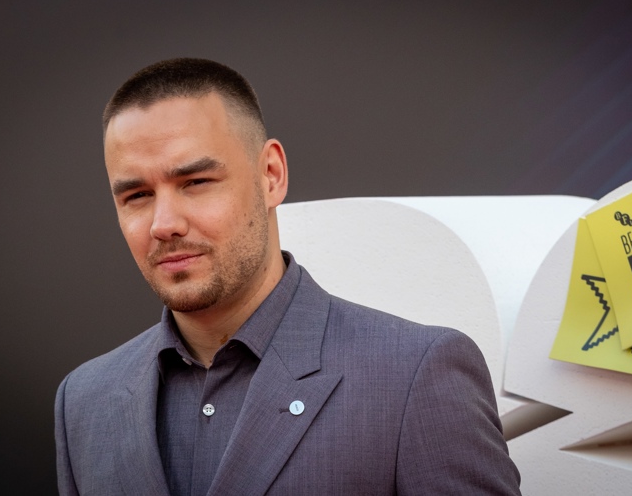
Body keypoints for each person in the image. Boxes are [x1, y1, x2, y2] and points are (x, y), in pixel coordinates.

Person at [55, 57, 521, 495]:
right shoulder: (83, 401)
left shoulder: (415, 376)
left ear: (271, 175)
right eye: (137, 195)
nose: (164, 224)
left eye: (195, 182)